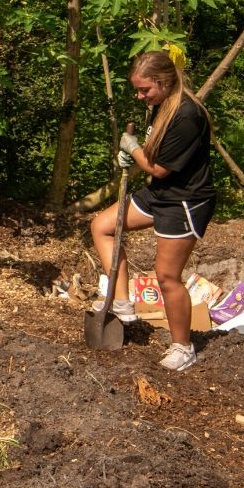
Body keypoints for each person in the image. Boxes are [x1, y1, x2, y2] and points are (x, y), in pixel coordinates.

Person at [89, 49, 216, 371]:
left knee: (167, 276)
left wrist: (131, 149)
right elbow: (152, 158)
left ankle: (183, 347)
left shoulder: (187, 115)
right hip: (159, 194)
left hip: (185, 201)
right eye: (138, 89)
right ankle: (122, 303)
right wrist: (132, 156)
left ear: (164, 82)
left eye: (145, 89)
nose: (140, 95)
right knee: (102, 226)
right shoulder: (159, 107)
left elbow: (159, 168)